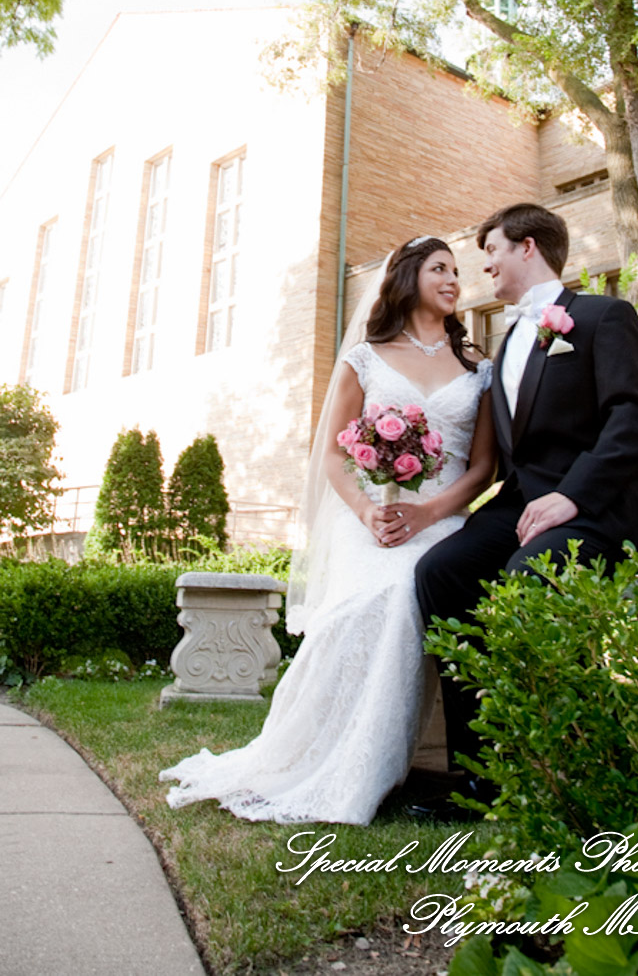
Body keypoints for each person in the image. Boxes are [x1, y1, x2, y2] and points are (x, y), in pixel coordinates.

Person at [160, 236, 495, 826]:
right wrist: (370, 511)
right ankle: (327, 751)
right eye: (439, 268)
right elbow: (336, 457)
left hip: (443, 520)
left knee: (406, 591)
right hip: (372, 518)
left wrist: (430, 512)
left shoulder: (477, 367)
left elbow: (483, 467)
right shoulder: (366, 357)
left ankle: (386, 761)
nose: (452, 279)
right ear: (408, 276)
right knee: (371, 597)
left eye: (456, 271)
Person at [415, 202, 638, 774]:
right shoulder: (508, 341)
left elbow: (632, 417)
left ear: (527, 247)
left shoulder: (604, 316)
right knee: (440, 571)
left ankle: (557, 763)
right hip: (523, 505)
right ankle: (481, 769)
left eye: (493, 251)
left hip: (601, 507)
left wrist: (574, 495)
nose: (484, 268)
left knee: (528, 576)